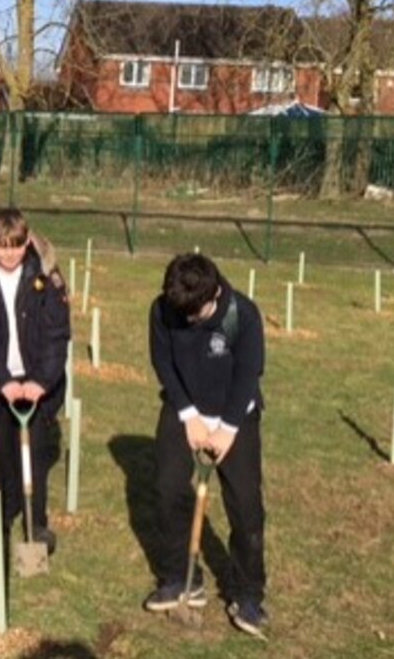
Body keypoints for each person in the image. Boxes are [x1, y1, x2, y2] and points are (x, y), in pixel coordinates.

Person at [145, 252, 268, 639]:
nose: (184, 320)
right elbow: (163, 362)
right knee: (167, 491)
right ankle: (181, 577)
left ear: (213, 295)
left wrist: (226, 429)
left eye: (192, 315)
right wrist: (189, 415)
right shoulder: (164, 310)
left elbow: (249, 374)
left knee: (247, 508)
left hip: (235, 416)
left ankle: (248, 593)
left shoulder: (242, 315)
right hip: (187, 411)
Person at [0, 208, 70, 553]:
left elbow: (57, 336)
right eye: (1, 246)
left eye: (16, 246)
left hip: (37, 380)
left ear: (27, 242)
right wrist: (3, 382)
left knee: (36, 454)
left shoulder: (46, 277)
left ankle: (36, 523)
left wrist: (41, 382)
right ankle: (5, 513)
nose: (9, 254)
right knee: (5, 453)